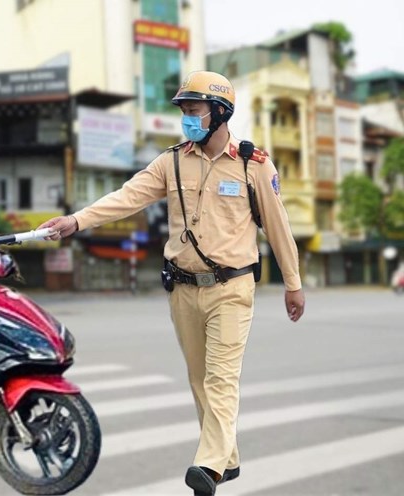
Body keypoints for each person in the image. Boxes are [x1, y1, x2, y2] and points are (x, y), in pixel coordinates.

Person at [39, 71, 306, 495]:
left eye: (194, 111)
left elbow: (277, 225)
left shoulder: (252, 164)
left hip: (232, 288)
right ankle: (228, 456)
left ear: (220, 112)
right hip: (182, 289)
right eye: (184, 112)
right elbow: (127, 197)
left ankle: (209, 464)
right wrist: (76, 220)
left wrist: (293, 281)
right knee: (199, 378)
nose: (187, 119)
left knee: (221, 378)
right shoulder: (172, 161)